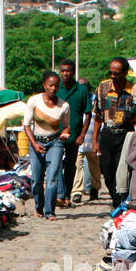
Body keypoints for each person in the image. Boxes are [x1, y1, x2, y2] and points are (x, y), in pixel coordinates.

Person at [91, 56, 136, 208]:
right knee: (107, 172)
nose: (113, 76)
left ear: (125, 73)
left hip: (126, 135)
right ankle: (116, 199)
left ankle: (118, 204)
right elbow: (98, 116)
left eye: (117, 73)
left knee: (120, 171)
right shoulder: (103, 88)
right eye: (111, 73)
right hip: (107, 134)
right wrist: (95, 141)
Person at [23, 71, 71, 220]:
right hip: (36, 142)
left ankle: (50, 211)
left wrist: (65, 133)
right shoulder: (34, 101)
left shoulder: (64, 106)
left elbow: (67, 126)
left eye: (56, 85)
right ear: (44, 85)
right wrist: (34, 143)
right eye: (50, 85)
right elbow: (26, 125)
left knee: (52, 178)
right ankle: (39, 206)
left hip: (55, 143)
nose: (53, 88)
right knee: (36, 179)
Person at [55, 59, 92, 208]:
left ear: (73, 72)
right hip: (56, 134)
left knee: (70, 166)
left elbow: (88, 114)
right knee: (55, 164)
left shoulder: (82, 90)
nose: (65, 73)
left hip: (75, 135)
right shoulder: (56, 88)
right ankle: (59, 194)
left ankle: (66, 196)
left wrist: (82, 135)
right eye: (62, 70)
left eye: (68, 70)